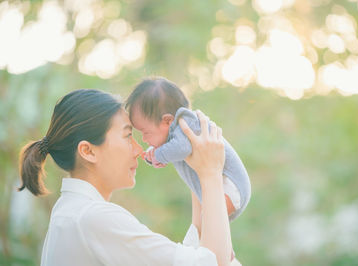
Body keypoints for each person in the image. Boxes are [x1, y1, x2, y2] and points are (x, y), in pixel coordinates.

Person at [18, 89, 233, 266]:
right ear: (88, 151)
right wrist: (211, 174)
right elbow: (212, 263)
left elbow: (192, 259)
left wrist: (198, 174)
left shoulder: (74, 212)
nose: (139, 149)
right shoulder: (93, 218)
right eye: (128, 136)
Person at [125, 77, 251, 222]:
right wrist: (154, 155)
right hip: (223, 187)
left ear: (168, 121)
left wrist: (158, 155)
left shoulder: (186, 124)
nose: (144, 139)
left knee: (210, 225)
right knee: (206, 228)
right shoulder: (174, 132)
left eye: (146, 132)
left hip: (231, 186)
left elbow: (181, 148)